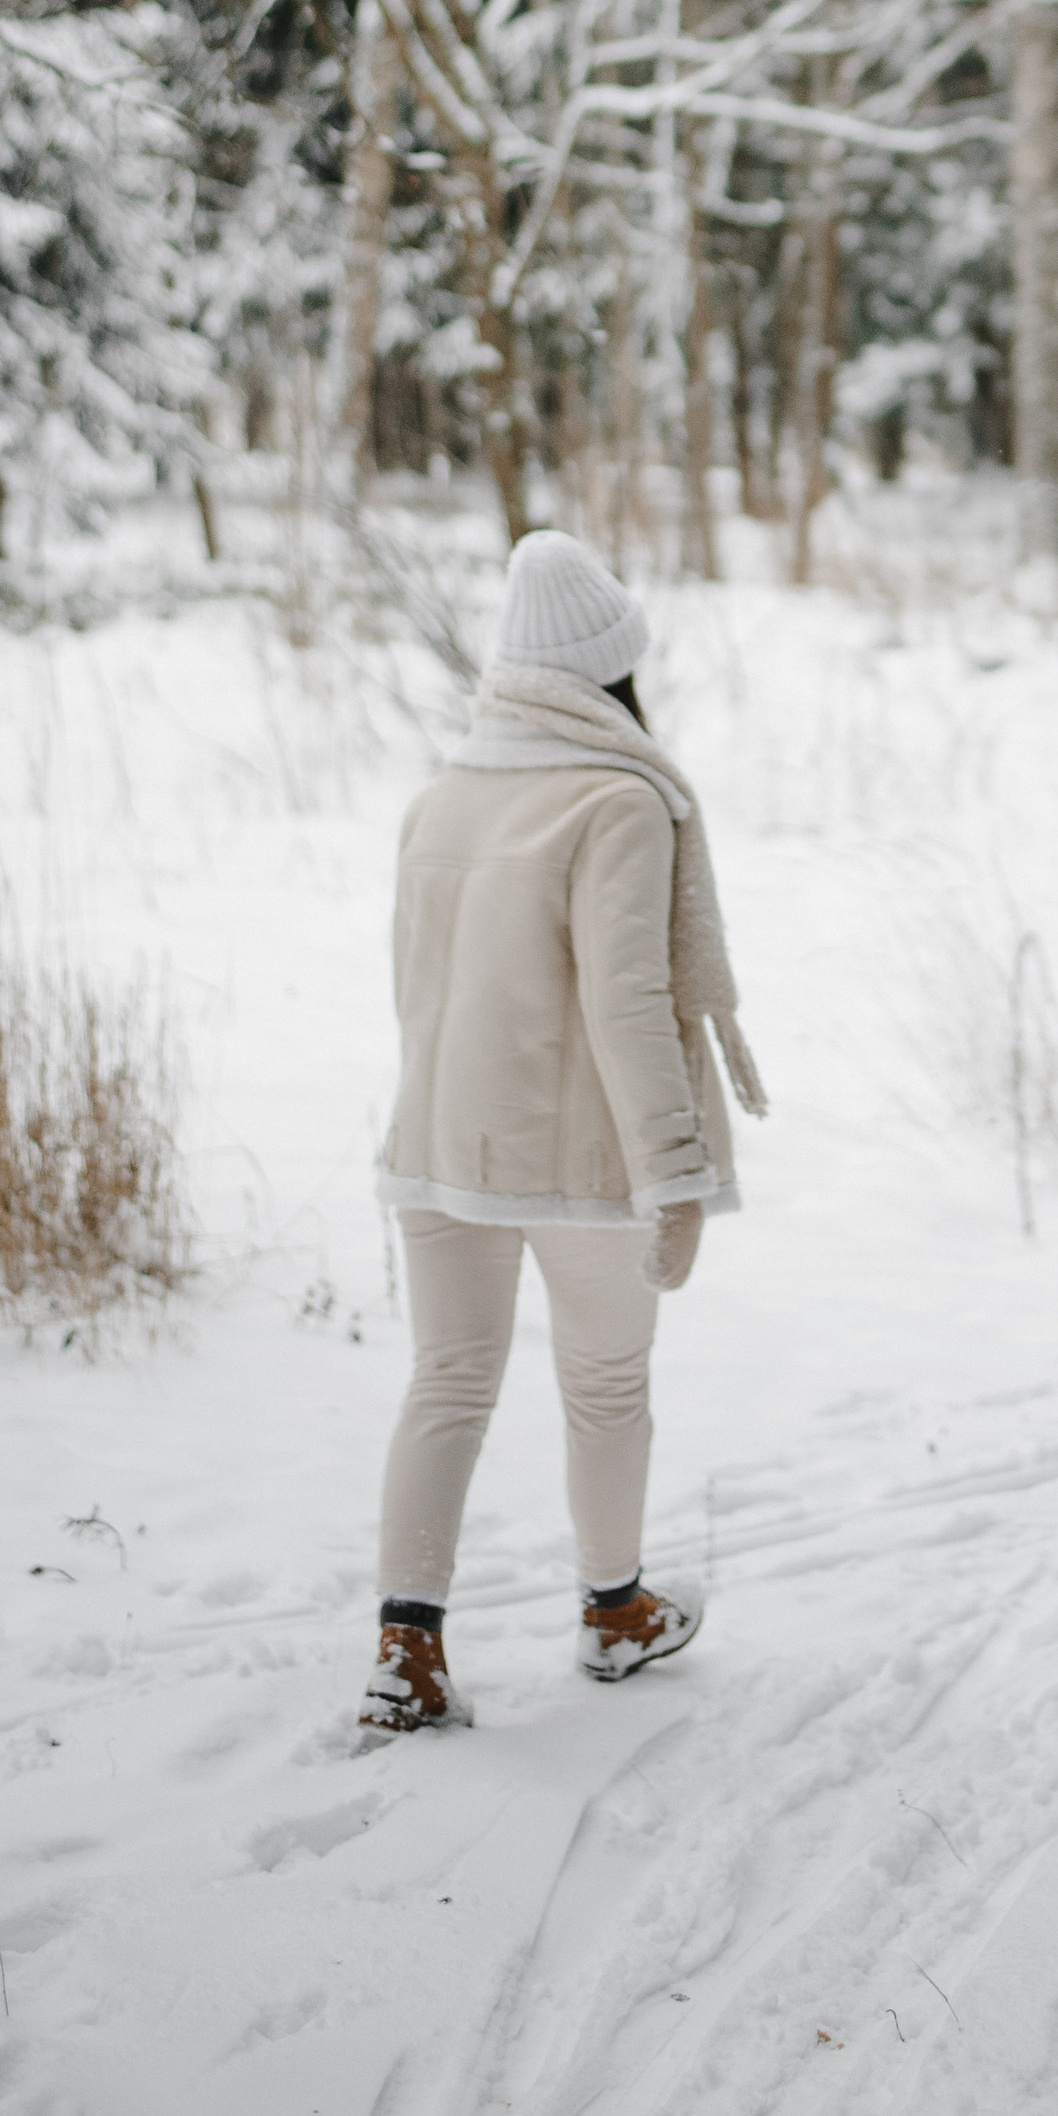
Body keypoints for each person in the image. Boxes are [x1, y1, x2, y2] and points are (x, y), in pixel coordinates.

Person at [359, 530, 766, 1733]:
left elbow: (412, 985)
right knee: (603, 1386)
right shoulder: (620, 799)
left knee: (445, 1384)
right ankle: (614, 1609)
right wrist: (674, 1173)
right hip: (578, 1165)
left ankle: (406, 1649)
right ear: (612, 673)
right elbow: (628, 1000)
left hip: (435, 1146)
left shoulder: (441, 795)